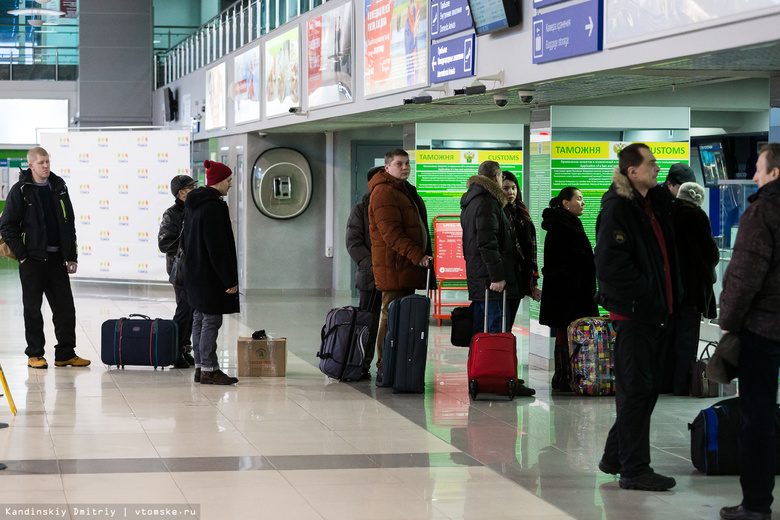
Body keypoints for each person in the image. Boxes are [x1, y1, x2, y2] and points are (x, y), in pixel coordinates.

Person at [594, 143, 681, 491]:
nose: (658, 168)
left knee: (643, 390)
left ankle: (616, 455)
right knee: (635, 392)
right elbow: (611, 264)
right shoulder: (619, 209)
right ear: (632, 171)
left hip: (655, 313)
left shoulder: (650, 205)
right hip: (634, 315)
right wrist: (645, 293)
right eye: (652, 163)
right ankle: (634, 469)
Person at [719, 143, 780, 520]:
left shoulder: (763, 212)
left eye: (759, 169)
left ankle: (756, 504)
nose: (754, 176)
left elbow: (744, 275)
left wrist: (728, 319)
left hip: (765, 328)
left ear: (775, 172)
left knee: (756, 417)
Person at [0, 146, 90, 369]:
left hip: (57, 259)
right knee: (32, 309)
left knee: (65, 309)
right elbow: (7, 226)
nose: (46, 166)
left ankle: (65, 354)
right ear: (31, 165)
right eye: (41, 163)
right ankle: (35, 354)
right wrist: (22, 256)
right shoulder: (21, 190)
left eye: (48, 161)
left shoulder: (59, 187)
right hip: (32, 261)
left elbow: (69, 223)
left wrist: (72, 256)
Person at [368, 149, 433, 382]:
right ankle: (384, 365)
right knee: (390, 315)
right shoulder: (384, 192)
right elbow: (391, 233)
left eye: (407, 163)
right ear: (387, 167)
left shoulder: (403, 190)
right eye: (399, 164)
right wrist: (417, 255)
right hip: (395, 266)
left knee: (402, 317)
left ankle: (398, 364)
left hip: (406, 267)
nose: (404, 167)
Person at [182, 160, 240, 385]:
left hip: (194, 271)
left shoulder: (193, 204)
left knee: (199, 318)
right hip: (209, 275)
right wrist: (229, 279)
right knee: (211, 321)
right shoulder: (213, 207)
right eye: (228, 180)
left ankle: (200, 366)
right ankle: (209, 368)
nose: (231, 185)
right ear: (217, 182)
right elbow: (217, 246)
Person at [539, 187, 598, 391]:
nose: (582, 203)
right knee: (567, 331)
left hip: (568, 290)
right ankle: (565, 375)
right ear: (566, 203)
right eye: (579, 199)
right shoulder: (562, 226)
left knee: (566, 331)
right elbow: (565, 261)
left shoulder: (566, 223)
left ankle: (564, 375)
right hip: (569, 291)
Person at [664, 181, 718, 395]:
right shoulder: (697, 216)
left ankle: (664, 383)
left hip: (668, 288)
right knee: (687, 339)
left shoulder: (665, 213)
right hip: (691, 290)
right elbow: (710, 253)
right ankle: (681, 385)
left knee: (668, 338)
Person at [461, 161, 517, 334]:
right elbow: (487, 243)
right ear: (496, 177)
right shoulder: (487, 202)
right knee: (496, 332)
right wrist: (497, 277)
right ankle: (494, 362)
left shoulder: (472, 200)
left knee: (480, 331)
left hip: (479, 277)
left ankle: (480, 362)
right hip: (490, 283)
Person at [345, 166, 384, 380]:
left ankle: (386, 364)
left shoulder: (392, 206)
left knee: (390, 322)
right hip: (371, 276)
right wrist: (374, 266)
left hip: (393, 276)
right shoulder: (360, 210)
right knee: (367, 321)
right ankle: (360, 364)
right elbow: (353, 243)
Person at [158, 174, 198, 369]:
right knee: (183, 310)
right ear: (181, 193)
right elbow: (164, 243)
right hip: (180, 271)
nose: (196, 190)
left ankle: (184, 348)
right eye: (192, 188)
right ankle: (174, 352)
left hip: (196, 270)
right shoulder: (171, 214)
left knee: (193, 311)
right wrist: (185, 247)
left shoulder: (196, 209)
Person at [501, 170, 541, 322]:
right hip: (506, 274)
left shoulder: (522, 211)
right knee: (502, 321)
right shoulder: (499, 211)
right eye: (505, 188)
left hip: (521, 273)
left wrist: (534, 280)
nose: (510, 192)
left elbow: (531, 247)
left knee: (509, 320)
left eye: (513, 188)